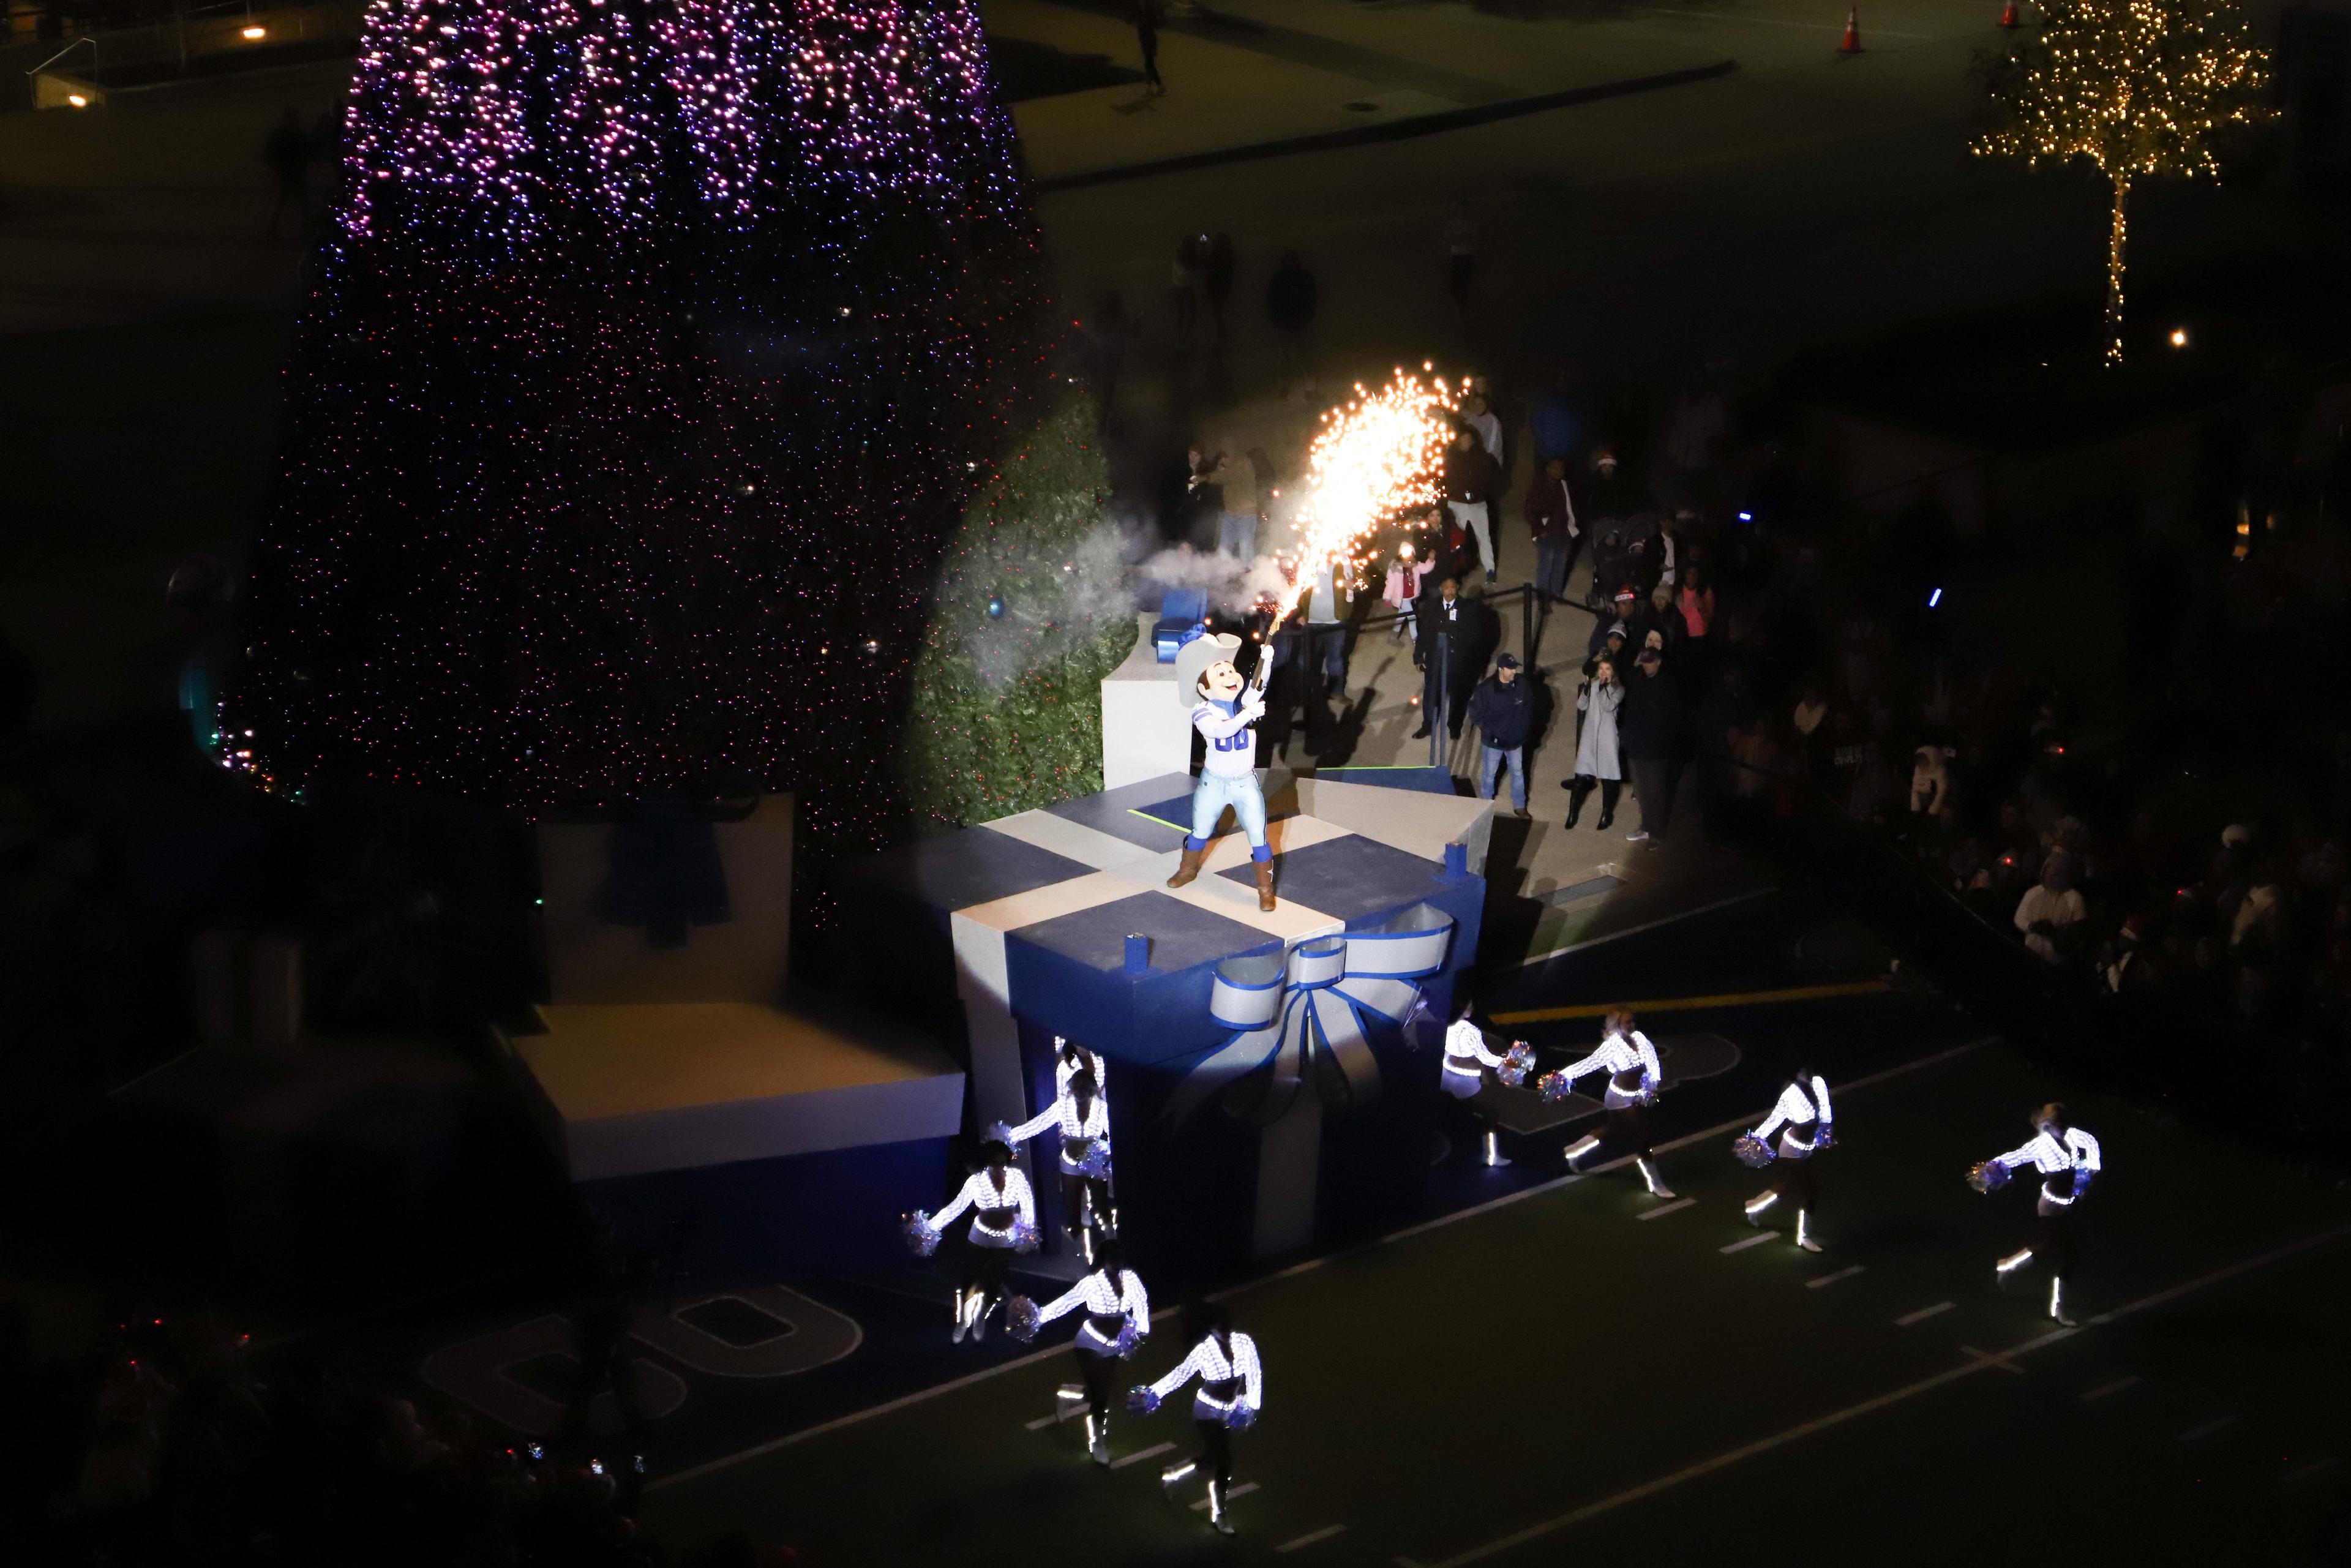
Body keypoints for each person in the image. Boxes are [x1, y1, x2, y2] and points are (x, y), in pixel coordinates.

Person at [1166, 633, 1277, 910]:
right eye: (1221, 673)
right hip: (1213, 784)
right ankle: (1188, 870)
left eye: (1231, 670)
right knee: (1200, 831)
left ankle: (1265, 889)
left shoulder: (1244, 701)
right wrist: (1247, 715)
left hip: (1244, 783)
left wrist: (1267, 660)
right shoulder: (1202, 711)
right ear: (1204, 688)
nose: (1230, 676)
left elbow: (1259, 685)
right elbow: (1220, 730)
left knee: (1258, 836)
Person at [1970, 1103, 2102, 1327]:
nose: (2065, 1128)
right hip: (2050, 1205)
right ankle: (2056, 1308)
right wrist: (1991, 1168)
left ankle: (2008, 1266)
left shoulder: (2071, 1136)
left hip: (2066, 1203)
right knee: (2063, 1253)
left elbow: (2091, 1142)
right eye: (2061, 1123)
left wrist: (2090, 1171)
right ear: (2051, 1124)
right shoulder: (2041, 1145)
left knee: (2054, 1250)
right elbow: (2016, 1156)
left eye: (2065, 1123)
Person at [1141, 1307, 1264, 1536]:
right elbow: (1180, 1375)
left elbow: (1255, 1373)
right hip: (1206, 1410)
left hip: (1229, 1410)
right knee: (1224, 1461)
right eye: (1221, 1328)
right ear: (1212, 1329)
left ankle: (1173, 1474)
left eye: (1228, 1326)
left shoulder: (1245, 1343)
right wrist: (1153, 1392)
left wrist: (1252, 1407)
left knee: (1211, 1459)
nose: (1226, 1331)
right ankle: (1219, 1515)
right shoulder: (1203, 1351)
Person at [1033, 1240, 1150, 1465]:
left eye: (1120, 1256)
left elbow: (1142, 1304)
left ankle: (1068, 1395)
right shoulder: (1091, 1283)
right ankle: (1097, 1441)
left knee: (1099, 1394)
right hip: (1090, 1343)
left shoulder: (1132, 1280)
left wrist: (1141, 1330)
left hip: (1116, 1344)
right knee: (1101, 1396)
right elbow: (1065, 1303)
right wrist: (1037, 1317)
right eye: (1113, 1257)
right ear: (1104, 1260)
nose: (1117, 1261)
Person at [928, 1130, 1038, 1341]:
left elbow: (1027, 1202)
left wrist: (1028, 1229)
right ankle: (963, 1320)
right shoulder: (976, 1182)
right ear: (986, 1163)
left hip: (1006, 1238)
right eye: (993, 1163)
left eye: (1002, 1162)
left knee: (994, 1283)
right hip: (980, 1236)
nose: (998, 1167)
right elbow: (955, 1208)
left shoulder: (1017, 1178)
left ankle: (980, 1316)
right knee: (969, 1280)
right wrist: (932, 1227)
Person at [1553, 1010, 1674, 1198]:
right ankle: (1656, 1184)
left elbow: (1653, 1062)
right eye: (1626, 1023)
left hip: (1638, 1095)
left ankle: (1573, 1151)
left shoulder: (1640, 1039)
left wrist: (1652, 1085)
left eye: (1632, 1021)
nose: (1631, 1025)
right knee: (1642, 1137)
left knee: (1612, 1131)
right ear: (1616, 1026)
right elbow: (1589, 1064)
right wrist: (1563, 1076)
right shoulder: (1612, 1046)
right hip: (1618, 1097)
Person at [1010, 1067, 1116, 1262]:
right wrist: (1010, 1136)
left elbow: (1112, 1132)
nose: (1080, 1093)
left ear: (1092, 1089)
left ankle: (1111, 1242)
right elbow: (1039, 1123)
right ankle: (1080, 1251)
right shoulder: (1063, 1106)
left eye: (1084, 1089)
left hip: (1096, 1161)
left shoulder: (1101, 1107)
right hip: (1070, 1161)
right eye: (1077, 1089)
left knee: (1101, 1205)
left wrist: (1109, 1150)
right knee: (1072, 1207)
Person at [1740, 1068, 1833, 1251]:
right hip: (1791, 1150)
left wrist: (1827, 1135)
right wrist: (1755, 1140)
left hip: (1809, 1149)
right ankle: (1804, 1237)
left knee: (1784, 1188)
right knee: (1812, 1193)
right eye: (1802, 1068)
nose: (1807, 1071)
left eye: (1809, 1067)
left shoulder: (1819, 1083)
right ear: (1794, 1072)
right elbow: (1774, 1120)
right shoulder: (1790, 1095)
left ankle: (1753, 1208)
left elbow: (1826, 1114)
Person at [1619, 647, 1684, 846]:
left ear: (1659, 662)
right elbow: (1626, 679)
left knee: (1655, 792)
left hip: (1655, 750)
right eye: (1645, 662)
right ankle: (1647, 827)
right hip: (1637, 747)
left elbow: (1669, 719)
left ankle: (1655, 833)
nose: (1647, 666)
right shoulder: (1638, 681)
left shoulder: (1667, 685)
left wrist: (1663, 743)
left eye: (1650, 662)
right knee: (1642, 792)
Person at [1411, 576, 1486, 741]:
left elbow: (1473, 637)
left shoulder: (1466, 609)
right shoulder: (1432, 606)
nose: (1450, 591)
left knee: (1457, 696)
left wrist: (1471, 661)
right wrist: (1418, 657)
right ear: (1441, 589)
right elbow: (1424, 633)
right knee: (1431, 694)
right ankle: (1427, 725)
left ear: (1458, 588)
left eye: (1453, 587)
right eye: (1447, 588)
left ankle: (1454, 726)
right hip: (1434, 659)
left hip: (1456, 661)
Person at [1441, 1007, 1518, 1166]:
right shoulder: (1471, 1031)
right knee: (1491, 1113)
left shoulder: (1442, 1020)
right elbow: (1485, 1058)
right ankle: (1491, 1156)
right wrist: (1508, 1062)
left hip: (1443, 1072)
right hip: (1463, 1080)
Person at [1467, 653, 1533, 819]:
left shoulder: (1522, 684)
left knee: (1518, 774)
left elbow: (1530, 706)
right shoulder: (1486, 690)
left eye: (1514, 669)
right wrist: (1490, 731)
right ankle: (1485, 806)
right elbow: (1475, 713)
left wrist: (1523, 729)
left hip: (1515, 742)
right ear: (1500, 669)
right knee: (1489, 775)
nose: (1513, 672)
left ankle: (1520, 806)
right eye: (1510, 669)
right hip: (1493, 743)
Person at [1564, 656, 1624, 829]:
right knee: (1582, 774)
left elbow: (1607, 706)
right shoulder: (1594, 685)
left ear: (1613, 672)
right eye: (1602, 669)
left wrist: (1602, 690)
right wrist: (1588, 689)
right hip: (1590, 736)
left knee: (1609, 776)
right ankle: (1573, 813)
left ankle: (1607, 813)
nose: (1604, 672)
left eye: (1608, 669)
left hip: (1607, 737)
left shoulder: (1618, 689)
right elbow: (1581, 705)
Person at [1444, 428, 1502, 584]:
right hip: (1457, 503)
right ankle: (1453, 571)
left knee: (1484, 537)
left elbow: (1488, 479)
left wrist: (1477, 494)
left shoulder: (1481, 457)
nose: (1467, 442)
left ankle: (1490, 570)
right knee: (1456, 539)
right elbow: (1452, 480)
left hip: (1477, 503)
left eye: (1470, 439)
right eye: (1464, 439)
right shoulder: (1451, 457)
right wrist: (1466, 494)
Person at [1525, 456, 1581, 605]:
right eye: (1555, 468)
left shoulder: (1565, 486)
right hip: (1547, 533)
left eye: (1561, 468)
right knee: (1546, 565)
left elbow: (1573, 507)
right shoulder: (1539, 487)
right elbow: (1530, 511)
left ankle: (1556, 594)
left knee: (1560, 564)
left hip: (1564, 532)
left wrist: (1573, 527)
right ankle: (1543, 598)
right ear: (1548, 469)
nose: (1558, 471)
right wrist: (1540, 529)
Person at [2014, 855, 2085, 963]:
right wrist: (2032, 926)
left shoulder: (2075, 899)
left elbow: (2080, 931)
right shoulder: (2034, 893)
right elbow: (2019, 918)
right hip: (2029, 956)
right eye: (2048, 874)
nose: (2050, 878)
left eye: (2056, 875)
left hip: (2056, 962)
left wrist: (2057, 932)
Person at [1264, 250, 1317, 394]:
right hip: (1285, 326)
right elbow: (1272, 302)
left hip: (1301, 324)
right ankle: (1284, 387)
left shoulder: (1303, 278)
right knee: (1285, 358)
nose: (1292, 264)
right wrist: (1278, 322)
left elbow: (1312, 299)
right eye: (1290, 261)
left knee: (1305, 357)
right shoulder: (1279, 280)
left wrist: (1306, 318)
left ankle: (1310, 387)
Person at [1300, 560, 1353, 699]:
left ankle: (1337, 692)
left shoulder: (1344, 563)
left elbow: (1364, 581)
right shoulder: (1310, 561)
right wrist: (1299, 613)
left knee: (1335, 658)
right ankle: (1306, 693)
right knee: (1306, 659)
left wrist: (1355, 584)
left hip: (1336, 622)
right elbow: (1297, 589)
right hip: (1311, 622)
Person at [262, 108, 313, 241]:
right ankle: (307, 232)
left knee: (284, 203)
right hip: (291, 174)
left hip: (288, 174)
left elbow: (267, 154)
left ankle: (271, 231)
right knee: (297, 204)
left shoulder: (281, 135)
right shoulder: (295, 134)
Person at [1212, 448, 1259, 559]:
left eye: (1225, 458)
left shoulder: (1244, 464)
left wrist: (1212, 476)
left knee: (1245, 549)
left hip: (1246, 514)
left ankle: (1249, 574)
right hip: (1230, 512)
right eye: (1221, 458)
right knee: (1224, 548)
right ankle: (1224, 573)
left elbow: (1228, 477)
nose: (1223, 461)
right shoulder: (1227, 468)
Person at [1382, 540, 1431, 642]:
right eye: (1405, 554)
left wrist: (1431, 560)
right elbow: (1390, 584)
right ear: (1401, 555)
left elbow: (1426, 569)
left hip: (1411, 597)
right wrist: (1387, 598)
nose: (1408, 557)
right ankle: (1416, 640)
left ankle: (1393, 637)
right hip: (1402, 599)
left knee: (1401, 617)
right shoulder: (1396, 568)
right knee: (1412, 618)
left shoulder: (1415, 565)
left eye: (1410, 553)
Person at [1442, 200, 1477, 317]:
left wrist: (1466, 240)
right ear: (1457, 211)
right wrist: (1456, 240)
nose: (1462, 212)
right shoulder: (1452, 224)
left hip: (1468, 255)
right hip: (1456, 255)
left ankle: (1462, 306)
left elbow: (1475, 238)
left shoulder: (1471, 224)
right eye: (1460, 210)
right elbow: (1447, 239)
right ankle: (1460, 304)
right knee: (1455, 283)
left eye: (1464, 210)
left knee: (1464, 282)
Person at [1464, 391, 1504, 470]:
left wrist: (1485, 462)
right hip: (1474, 461)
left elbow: (1494, 446)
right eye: (1475, 404)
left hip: (1489, 464)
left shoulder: (1492, 421)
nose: (1478, 407)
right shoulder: (1471, 419)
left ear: (1486, 405)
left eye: (1481, 404)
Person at [1134, 2, 1164, 94]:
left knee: (1149, 64)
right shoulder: (1141, 11)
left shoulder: (1148, 11)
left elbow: (1155, 25)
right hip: (1146, 42)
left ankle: (1152, 87)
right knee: (1149, 65)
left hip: (1149, 42)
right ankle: (1156, 86)